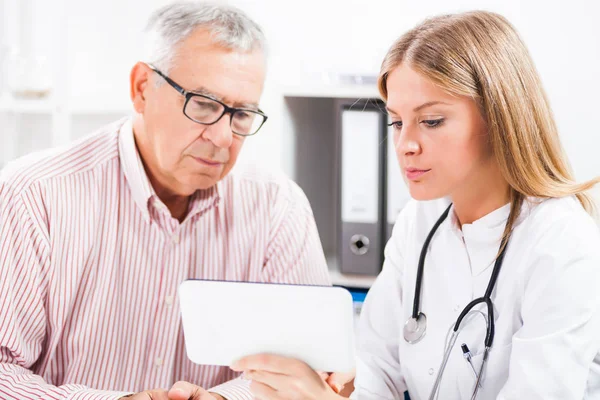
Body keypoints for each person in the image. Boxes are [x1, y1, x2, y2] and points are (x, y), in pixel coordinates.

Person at [232, 10, 600, 400]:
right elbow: (375, 366)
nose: (406, 144)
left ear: (499, 117)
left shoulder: (562, 241)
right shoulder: (420, 222)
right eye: (396, 122)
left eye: (432, 121)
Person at [0, 2, 332, 399]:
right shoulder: (33, 196)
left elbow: (305, 368)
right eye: (205, 105)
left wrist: (225, 399)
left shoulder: (279, 208)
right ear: (142, 88)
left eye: (241, 114)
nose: (224, 138)